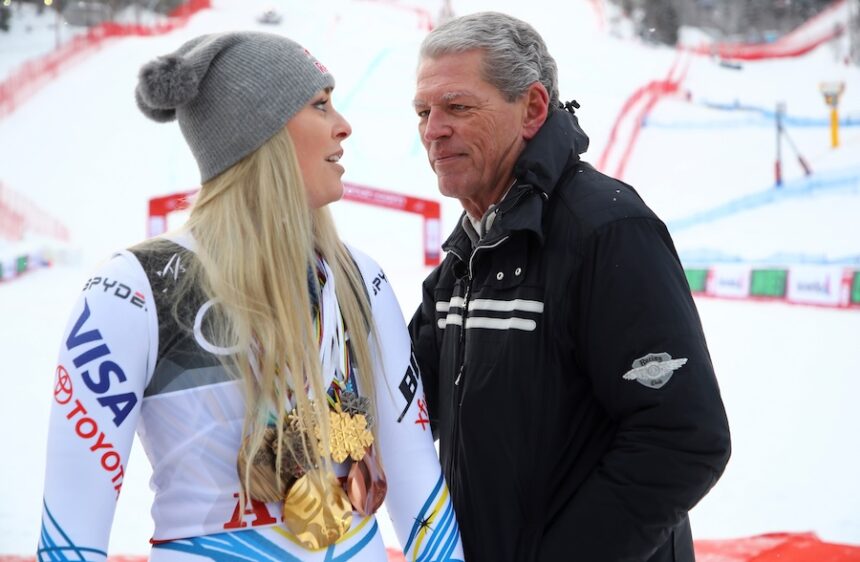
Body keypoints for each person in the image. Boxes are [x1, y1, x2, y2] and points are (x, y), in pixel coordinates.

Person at [38, 31, 463, 562]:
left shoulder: (358, 277)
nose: (343, 125)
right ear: (260, 133)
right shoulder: (132, 289)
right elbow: (70, 536)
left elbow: (418, 483)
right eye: (320, 104)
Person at [408, 12, 731, 562]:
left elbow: (682, 438)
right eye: (423, 111)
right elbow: (405, 404)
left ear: (532, 109)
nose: (433, 129)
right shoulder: (468, 251)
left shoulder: (607, 229)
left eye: (457, 107)